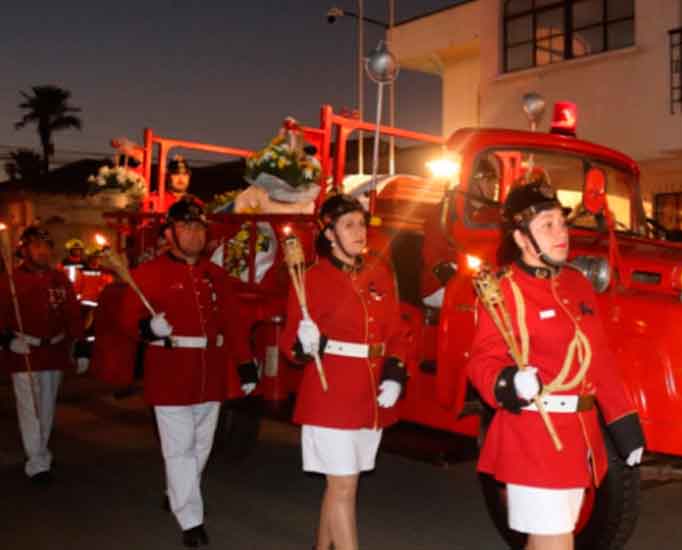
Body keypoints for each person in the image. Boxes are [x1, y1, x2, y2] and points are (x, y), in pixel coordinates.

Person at [466, 182, 645, 550]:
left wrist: (623, 423)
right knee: (557, 542)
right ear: (520, 237)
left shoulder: (577, 284)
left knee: (546, 542)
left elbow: (599, 360)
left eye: (561, 223)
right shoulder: (504, 289)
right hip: (532, 438)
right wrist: (510, 381)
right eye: (547, 225)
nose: (561, 234)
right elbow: (482, 361)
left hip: (577, 440)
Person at [119, 196, 258, 547]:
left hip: (210, 373)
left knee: (201, 446)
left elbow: (233, 322)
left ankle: (178, 489)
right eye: (185, 226)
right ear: (168, 232)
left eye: (198, 227)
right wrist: (149, 329)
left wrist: (244, 363)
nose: (194, 234)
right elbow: (124, 319)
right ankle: (191, 519)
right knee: (179, 449)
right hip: (169, 372)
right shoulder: (147, 274)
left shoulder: (217, 276)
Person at [279, 193, 407, 550]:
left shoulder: (379, 273)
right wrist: (306, 344)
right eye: (348, 225)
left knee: (340, 487)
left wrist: (395, 374)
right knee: (344, 487)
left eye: (361, 224)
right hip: (329, 394)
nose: (358, 232)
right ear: (329, 233)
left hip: (370, 397)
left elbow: (397, 333)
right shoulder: (311, 279)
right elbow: (290, 343)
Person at [0, 226, 86, 484]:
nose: (43, 251)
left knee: (46, 406)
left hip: (54, 351)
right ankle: (37, 461)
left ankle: (40, 450)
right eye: (36, 246)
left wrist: (80, 346)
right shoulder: (9, 281)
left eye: (46, 246)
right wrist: (8, 340)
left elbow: (72, 313)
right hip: (24, 351)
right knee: (31, 407)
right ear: (24, 250)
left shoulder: (60, 279)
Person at [420, 156, 501, 309]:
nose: (494, 185)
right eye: (489, 180)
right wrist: (458, 283)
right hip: (443, 284)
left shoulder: (495, 213)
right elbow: (433, 255)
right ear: (474, 182)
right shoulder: (444, 212)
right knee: (482, 305)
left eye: (494, 180)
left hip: (485, 279)